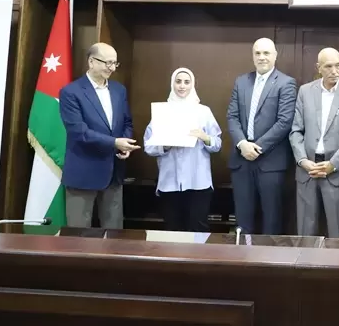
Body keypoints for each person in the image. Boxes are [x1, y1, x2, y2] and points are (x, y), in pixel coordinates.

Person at [59, 42, 138, 229]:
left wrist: (125, 145)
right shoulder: (71, 92)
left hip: (114, 173)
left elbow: (127, 123)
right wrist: (115, 142)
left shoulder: (119, 90)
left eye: (115, 63)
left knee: (114, 232)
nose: (112, 68)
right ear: (91, 61)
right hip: (83, 172)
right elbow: (79, 132)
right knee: (78, 233)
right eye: (107, 63)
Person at [289, 48, 339, 238]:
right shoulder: (305, 91)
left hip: (337, 172)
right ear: (319, 68)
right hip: (307, 171)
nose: (334, 71)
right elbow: (296, 131)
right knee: (305, 234)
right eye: (328, 66)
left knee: (338, 235)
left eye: (338, 65)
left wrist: (333, 164)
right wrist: (302, 160)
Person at [227, 37, 297, 235]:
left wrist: (257, 147)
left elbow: (284, 121)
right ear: (253, 56)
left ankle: (269, 256)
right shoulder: (241, 82)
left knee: (271, 220)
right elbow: (232, 117)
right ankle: (243, 254)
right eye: (257, 53)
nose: (262, 57)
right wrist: (242, 144)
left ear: (275, 55)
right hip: (241, 160)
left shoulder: (286, 83)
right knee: (243, 222)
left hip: (270, 162)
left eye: (266, 53)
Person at [143, 68, 222, 232]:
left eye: (187, 82)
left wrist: (204, 137)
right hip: (170, 182)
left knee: (198, 228)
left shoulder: (203, 111)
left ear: (192, 85)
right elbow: (148, 146)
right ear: (172, 84)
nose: (182, 86)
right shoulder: (162, 111)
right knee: (173, 230)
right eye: (178, 81)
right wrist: (165, 145)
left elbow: (217, 144)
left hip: (198, 181)